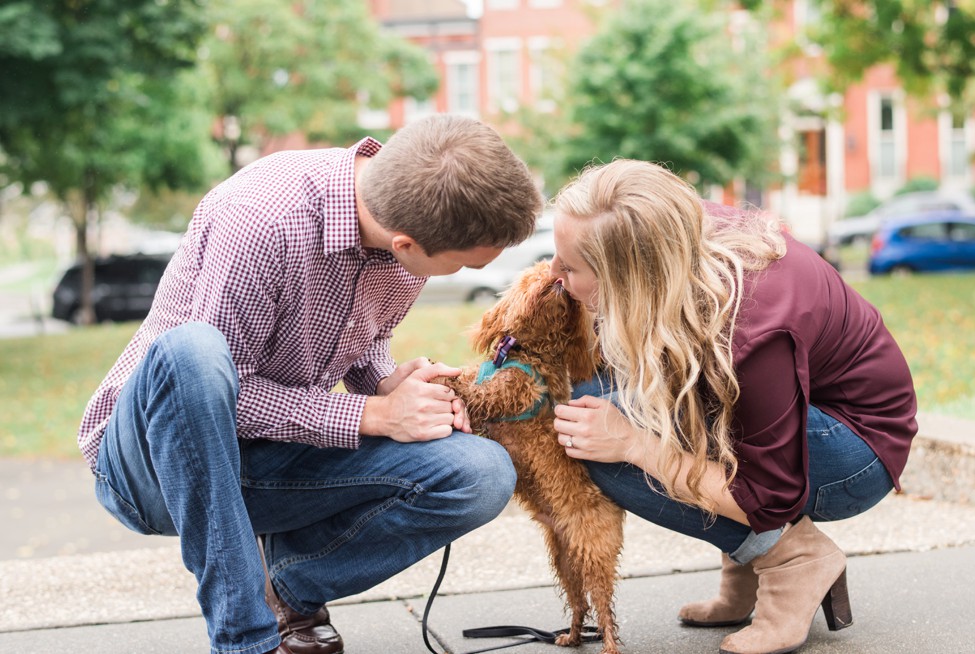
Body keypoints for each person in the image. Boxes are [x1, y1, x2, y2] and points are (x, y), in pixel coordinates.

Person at [78, 114, 543, 654]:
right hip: (158, 470)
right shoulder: (260, 221)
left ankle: (290, 588)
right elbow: (216, 397)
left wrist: (384, 381)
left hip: (276, 459)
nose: (460, 274)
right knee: (195, 352)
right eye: (461, 266)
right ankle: (245, 640)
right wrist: (375, 416)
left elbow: (360, 335)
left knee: (480, 474)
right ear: (407, 242)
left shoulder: (404, 231)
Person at [547, 159, 917, 654]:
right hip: (792, 408)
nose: (554, 275)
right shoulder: (667, 227)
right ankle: (746, 563)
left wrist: (636, 444)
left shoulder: (751, 330)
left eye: (569, 267)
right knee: (593, 405)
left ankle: (792, 560)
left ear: (633, 278)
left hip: (854, 451)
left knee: (598, 443)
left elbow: (767, 497)